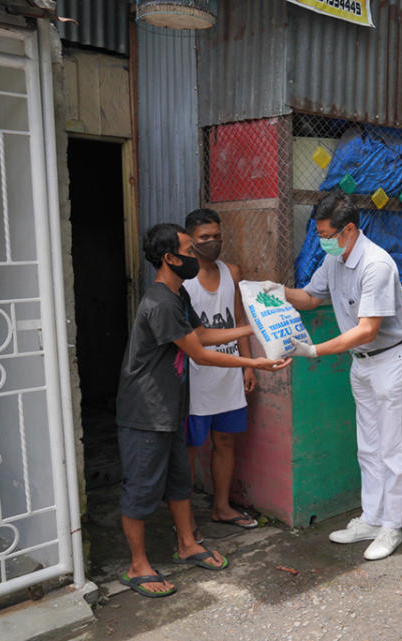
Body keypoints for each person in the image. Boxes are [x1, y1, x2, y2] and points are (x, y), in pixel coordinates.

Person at [115, 223, 289, 598]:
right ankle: (136, 566)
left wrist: (254, 330)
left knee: (179, 481)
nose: (197, 256)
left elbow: (204, 334)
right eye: (189, 251)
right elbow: (199, 354)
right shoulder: (159, 302)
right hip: (145, 413)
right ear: (169, 258)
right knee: (141, 489)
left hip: (170, 408)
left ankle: (187, 545)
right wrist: (255, 364)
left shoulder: (178, 297)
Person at [284, 192, 402, 561]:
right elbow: (311, 297)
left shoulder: (377, 264)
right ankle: (372, 518)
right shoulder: (335, 260)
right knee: (369, 446)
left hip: (391, 360)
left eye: (326, 234)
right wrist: (275, 292)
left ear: (348, 230)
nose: (321, 240)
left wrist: (314, 350)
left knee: (392, 448)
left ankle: (393, 526)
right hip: (362, 364)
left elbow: (368, 330)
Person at [183, 209, 258, 532]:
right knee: (189, 449)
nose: (212, 242)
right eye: (204, 238)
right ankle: (183, 521)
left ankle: (222, 507)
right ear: (190, 240)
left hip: (229, 374)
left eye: (217, 236)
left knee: (225, 441)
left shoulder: (232, 272)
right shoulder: (182, 280)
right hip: (195, 377)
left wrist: (247, 365)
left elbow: (239, 320)